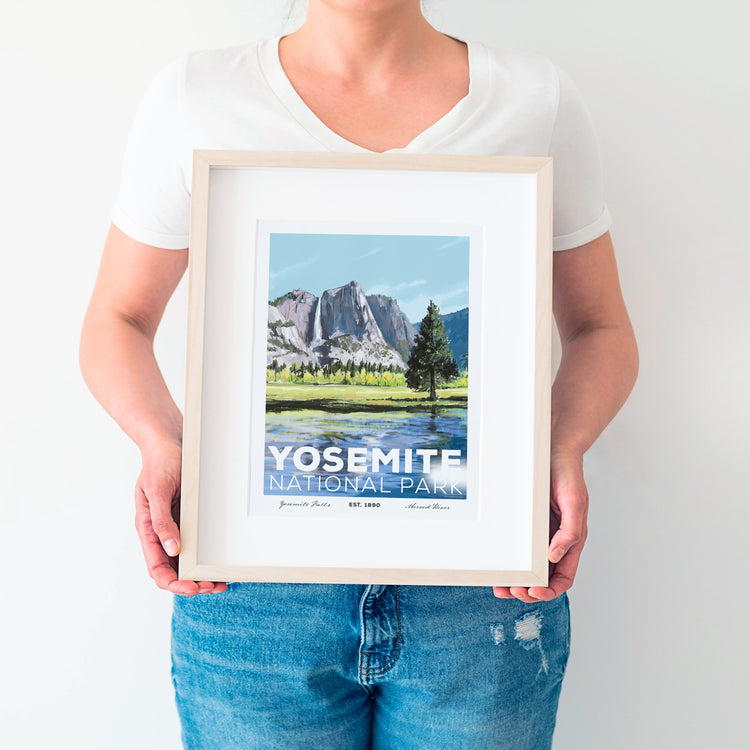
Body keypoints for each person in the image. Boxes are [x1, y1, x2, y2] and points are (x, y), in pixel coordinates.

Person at [80, 2, 638, 748]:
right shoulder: (197, 96)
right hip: (252, 593)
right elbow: (115, 320)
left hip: (483, 594)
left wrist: (559, 447)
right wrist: (162, 443)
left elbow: (600, 328)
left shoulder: (535, 99)